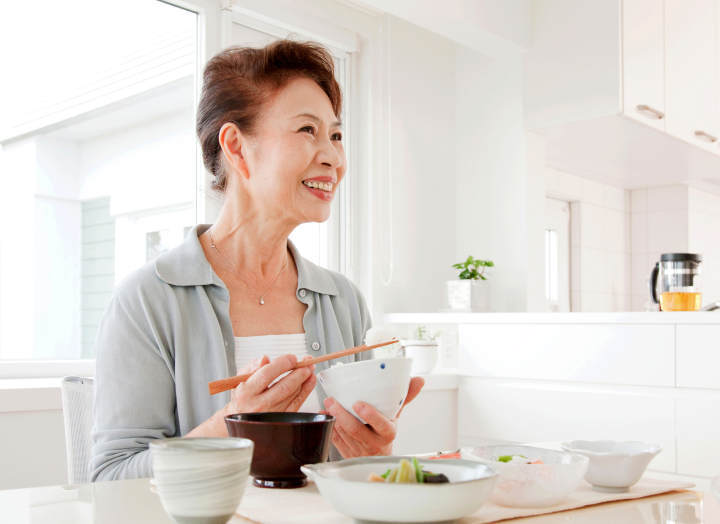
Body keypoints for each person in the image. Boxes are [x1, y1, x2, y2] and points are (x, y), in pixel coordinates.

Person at [91, 40, 424, 481]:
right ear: (236, 146)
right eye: (308, 130)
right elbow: (110, 481)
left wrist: (371, 450)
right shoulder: (148, 300)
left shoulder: (342, 299)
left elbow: (352, 477)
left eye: (336, 135)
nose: (334, 158)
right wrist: (233, 422)